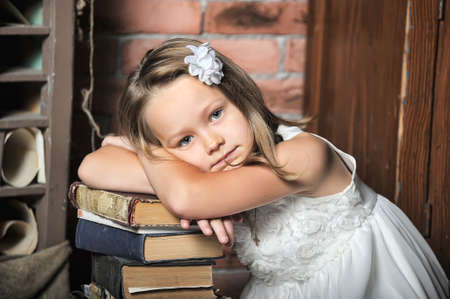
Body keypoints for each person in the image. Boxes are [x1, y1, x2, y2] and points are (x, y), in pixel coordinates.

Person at [78, 38, 449, 298]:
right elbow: (91, 166)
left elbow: (186, 195)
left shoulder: (306, 156)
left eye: (216, 114)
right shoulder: (208, 176)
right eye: (185, 141)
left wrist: (148, 152)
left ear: (240, 96)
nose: (212, 143)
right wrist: (157, 153)